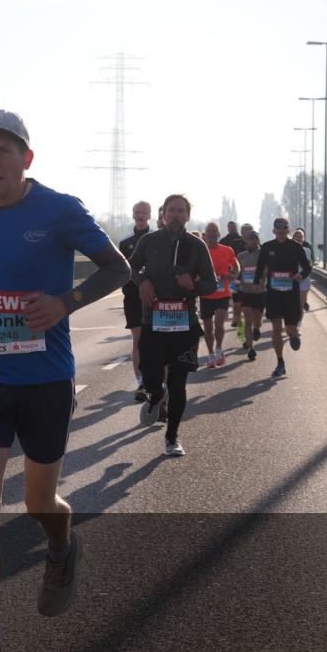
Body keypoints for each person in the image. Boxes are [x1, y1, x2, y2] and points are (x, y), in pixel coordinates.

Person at [0, 110, 130, 652]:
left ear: (27, 158)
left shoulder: (60, 210)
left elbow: (118, 267)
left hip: (45, 378)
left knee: (40, 502)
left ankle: (61, 545)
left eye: (1, 151)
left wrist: (64, 303)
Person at [130, 195, 217, 457]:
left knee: (179, 383)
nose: (176, 215)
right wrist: (142, 281)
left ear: (188, 216)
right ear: (164, 214)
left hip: (185, 323)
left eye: (181, 211)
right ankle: (156, 394)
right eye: (172, 210)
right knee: (152, 374)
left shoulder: (196, 246)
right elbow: (130, 268)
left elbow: (211, 284)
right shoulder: (149, 241)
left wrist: (195, 286)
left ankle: (172, 437)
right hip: (153, 320)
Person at [253, 217, 311, 378]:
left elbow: (307, 267)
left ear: (287, 230)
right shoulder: (267, 247)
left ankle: (293, 335)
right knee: (276, 327)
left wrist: (301, 275)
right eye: (278, 230)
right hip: (273, 293)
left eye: (283, 229)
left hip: (291, 293)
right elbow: (260, 266)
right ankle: (280, 362)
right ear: (274, 231)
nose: (280, 232)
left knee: (290, 329)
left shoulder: (296, 247)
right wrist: (257, 281)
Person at [119, 201, 153, 402]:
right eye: (137, 212)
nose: (140, 216)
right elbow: (122, 270)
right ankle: (141, 383)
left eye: (144, 213)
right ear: (133, 215)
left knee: (154, 340)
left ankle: (156, 380)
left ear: (149, 216)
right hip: (132, 297)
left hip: (153, 297)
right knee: (138, 340)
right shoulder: (125, 242)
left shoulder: (156, 239)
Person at [198, 222, 240, 368]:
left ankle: (219, 349)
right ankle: (210, 354)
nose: (211, 233)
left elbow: (236, 267)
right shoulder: (201, 251)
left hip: (223, 293)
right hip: (206, 295)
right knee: (208, 327)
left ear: (219, 234)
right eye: (209, 231)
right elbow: (195, 270)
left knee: (219, 323)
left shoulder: (227, 250)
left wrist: (232, 275)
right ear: (205, 234)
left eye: (214, 231)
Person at [236, 231, 265, 360]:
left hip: (260, 292)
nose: (253, 241)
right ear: (246, 241)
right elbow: (238, 273)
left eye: (255, 238)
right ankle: (251, 348)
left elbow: (268, 270)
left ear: (258, 240)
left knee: (257, 319)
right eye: (250, 239)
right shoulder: (241, 256)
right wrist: (235, 283)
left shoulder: (263, 254)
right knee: (248, 319)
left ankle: (257, 328)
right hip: (245, 292)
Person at [292, 228, 315, 313]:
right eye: (296, 237)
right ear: (293, 238)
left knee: (301, 303)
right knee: (294, 303)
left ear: (303, 239)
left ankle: (298, 323)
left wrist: (302, 275)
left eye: (300, 237)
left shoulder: (307, 250)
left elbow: (309, 264)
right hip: (292, 279)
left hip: (303, 278)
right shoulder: (288, 250)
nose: (298, 238)